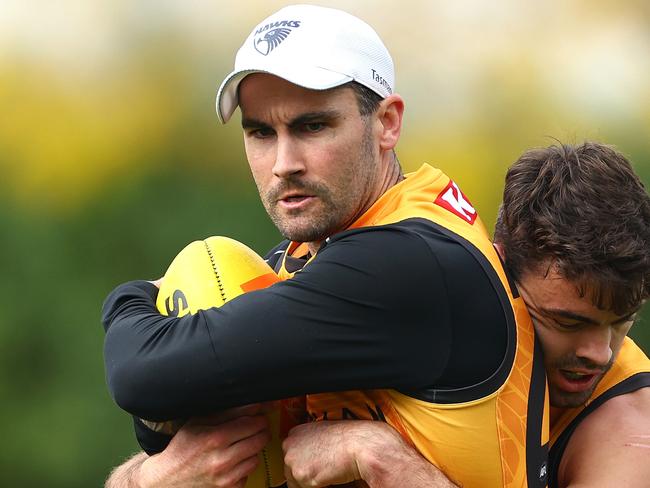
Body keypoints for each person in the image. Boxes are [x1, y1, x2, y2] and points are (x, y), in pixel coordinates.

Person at [102, 4, 548, 488]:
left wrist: (128, 299)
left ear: (387, 123)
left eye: (312, 126)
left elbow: (140, 375)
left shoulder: (407, 262)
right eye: (260, 133)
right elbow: (163, 425)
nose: (283, 163)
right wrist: (149, 478)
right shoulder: (305, 260)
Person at [279, 141, 650, 488]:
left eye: (622, 321)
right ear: (496, 274)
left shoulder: (630, 434)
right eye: (568, 322)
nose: (600, 352)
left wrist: (384, 460)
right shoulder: (403, 309)